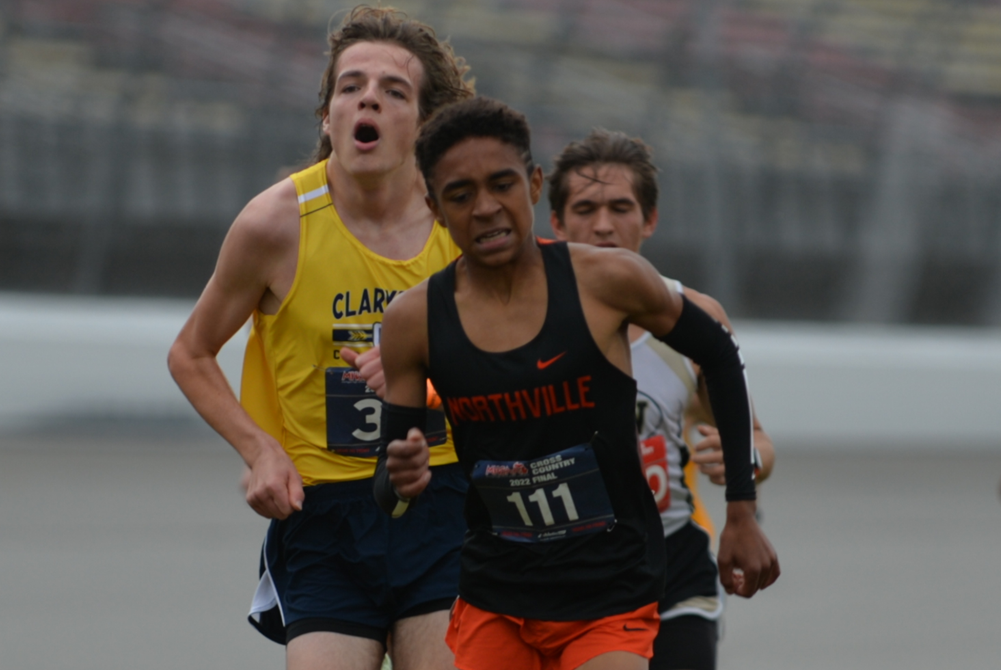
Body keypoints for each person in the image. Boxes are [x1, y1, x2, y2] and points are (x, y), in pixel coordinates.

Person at [374, 97, 779, 670]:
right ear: (434, 208)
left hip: (609, 594)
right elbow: (387, 489)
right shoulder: (413, 322)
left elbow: (716, 348)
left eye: (503, 184)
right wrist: (399, 479)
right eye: (461, 195)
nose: (486, 208)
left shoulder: (608, 281)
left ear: (534, 185)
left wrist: (740, 509)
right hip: (496, 598)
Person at [167, 6, 474, 670]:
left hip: (445, 500)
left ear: (425, 125)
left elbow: (516, 358)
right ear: (327, 115)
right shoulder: (275, 224)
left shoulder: (463, 224)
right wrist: (260, 451)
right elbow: (190, 352)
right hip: (324, 513)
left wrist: (418, 381)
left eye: (393, 91)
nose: (367, 97)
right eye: (350, 85)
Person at [546, 129, 775, 670]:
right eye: (585, 208)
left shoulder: (695, 322)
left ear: (649, 219)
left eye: (621, 207)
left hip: (672, 566)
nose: (603, 224)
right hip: (559, 571)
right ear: (555, 223)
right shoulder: (524, 320)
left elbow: (759, 444)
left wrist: (741, 461)